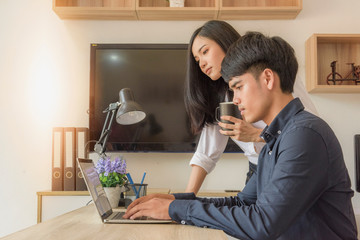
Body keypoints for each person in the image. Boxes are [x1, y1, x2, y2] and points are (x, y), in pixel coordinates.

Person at [123, 31, 357, 239]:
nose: (234, 100)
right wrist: (177, 201)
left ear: (267, 78)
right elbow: (242, 202)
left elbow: (262, 224)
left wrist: (178, 210)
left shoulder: (304, 135)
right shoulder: (276, 139)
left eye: (238, 87)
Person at [184, 20, 318, 193]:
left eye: (205, 52)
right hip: (257, 170)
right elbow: (206, 154)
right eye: (197, 59)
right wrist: (185, 200)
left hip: (290, 163)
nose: (201, 63)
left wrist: (258, 135)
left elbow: (309, 126)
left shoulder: (271, 72)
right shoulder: (220, 97)